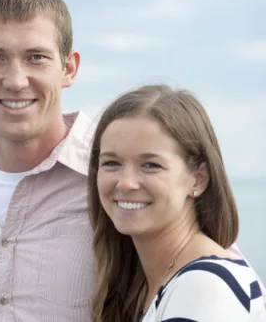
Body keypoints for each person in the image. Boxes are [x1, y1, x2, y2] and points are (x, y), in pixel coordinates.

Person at [0, 0, 265, 321]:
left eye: (36, 57)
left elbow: (219, 281)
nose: (16, 80)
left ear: (69, 68)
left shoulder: (117, 180)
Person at [87, 84, 266, 322]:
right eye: (111, 163)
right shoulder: (156, 284)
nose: (125, 183)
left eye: (151, 165)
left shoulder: (203, 287)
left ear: (198, 178)